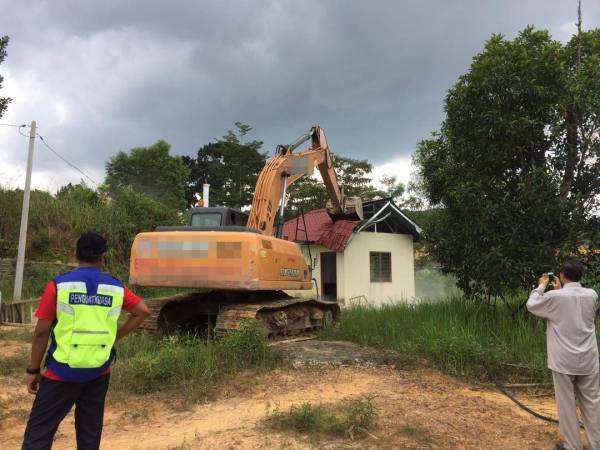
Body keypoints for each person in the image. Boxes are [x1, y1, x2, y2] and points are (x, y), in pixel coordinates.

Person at [22, 231, 150, 450]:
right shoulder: (115, 288)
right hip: (98, 372)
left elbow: (41, 332)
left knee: (38, 435)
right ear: (103, 257)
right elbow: (142, 311)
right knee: (89, 435)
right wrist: (114, 338)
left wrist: (33, 370)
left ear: (75, 254)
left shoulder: (58, 286)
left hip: (60, 373)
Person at [527, 260, 600, 450]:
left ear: (562, 276)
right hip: (589, 360)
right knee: (593, 404)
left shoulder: (554, 297)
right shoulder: (592, 295)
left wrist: (541, 285)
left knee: (566, 405)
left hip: (563, 361)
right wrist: (560, 290)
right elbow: (571, 303)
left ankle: (573, 446)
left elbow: (532, 304)